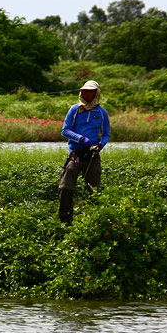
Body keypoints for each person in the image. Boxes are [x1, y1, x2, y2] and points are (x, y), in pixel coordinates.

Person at [58, 80, 110, 225]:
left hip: (93, 155)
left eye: (90, 91)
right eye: (85, 91)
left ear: (96, 93)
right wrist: (81, 139)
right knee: (65, 187)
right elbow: (65, 130)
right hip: (75, 153)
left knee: (93, 190)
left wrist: (101, 145)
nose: (87, 94)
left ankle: (92, 222)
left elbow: (106, 133)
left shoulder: (101, 112)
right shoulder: (74, 110)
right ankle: (65, 221)